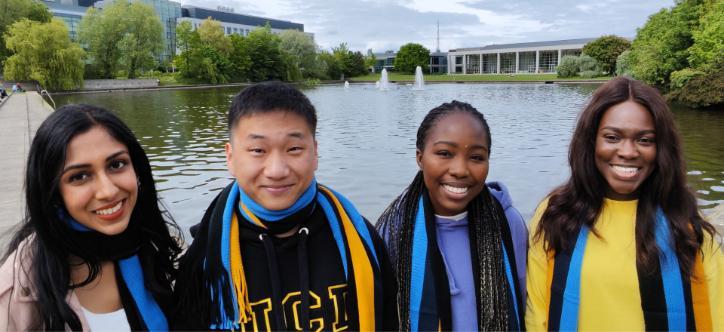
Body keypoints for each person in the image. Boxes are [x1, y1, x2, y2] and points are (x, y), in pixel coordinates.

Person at [173, 82, 397, 330]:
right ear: (231, 157)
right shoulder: (204, 260)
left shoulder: (360, 238)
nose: (277, 171)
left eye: (294, 149)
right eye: (258, 150)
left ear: (315, 153)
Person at [526, 77, 722, 331]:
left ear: (661, 147)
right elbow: (537, 314)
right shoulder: (557, 215)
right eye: (612, 137)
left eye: (644, 140)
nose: (628, 151)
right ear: (591, 141)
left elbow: (718, 314)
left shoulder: (686, 225)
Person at [0, 104, 183, 330]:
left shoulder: (147, 242)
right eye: (80, 176)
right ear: (53, 190)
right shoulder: (17, 292)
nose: (107, 191)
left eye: (117, 164)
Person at [376, 100, 528, 331]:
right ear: (420, 157)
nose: (460, 170)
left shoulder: (507, 223)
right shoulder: (394, 229)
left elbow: (524, 300)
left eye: (476, 157)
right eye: (445, 153)